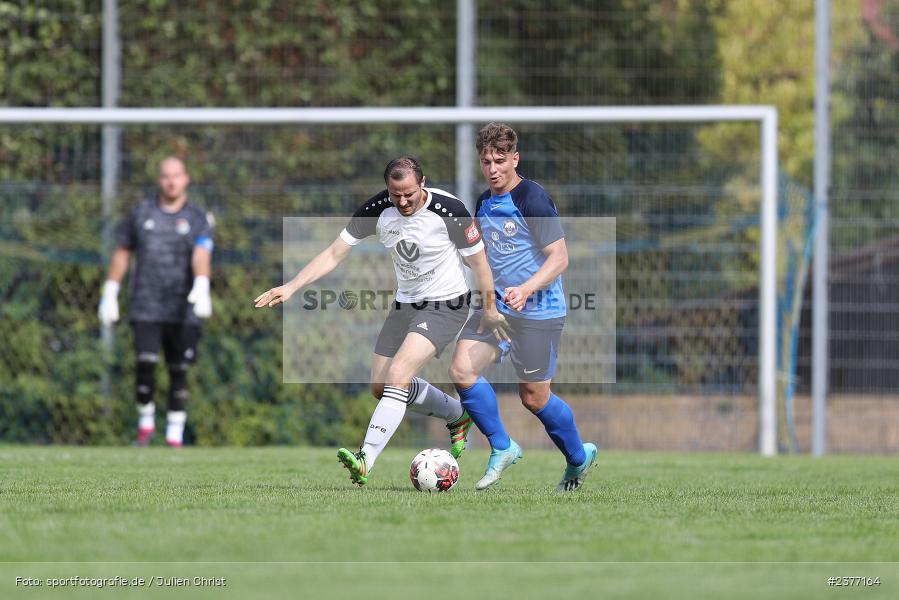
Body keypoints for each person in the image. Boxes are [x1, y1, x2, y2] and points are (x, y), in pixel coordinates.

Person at [254, 156, 508, 486]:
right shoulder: (377, 208)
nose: (402, 201)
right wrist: (291, 286)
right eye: (395, 194)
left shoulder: (449, 210)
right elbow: (334, 253)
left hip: (448, 304)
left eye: (409, 194)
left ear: (423, 183)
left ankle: (365, 459)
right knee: (381, 386)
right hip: (405, 304)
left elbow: (480, 262)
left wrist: (490, 309)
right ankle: (455, 415)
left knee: (399, 374)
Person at [449, 123, 597, 492]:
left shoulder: (532, 198)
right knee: (461, 369)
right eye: (486, 161)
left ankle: (578, 458)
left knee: (533, 398)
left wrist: (527, 288)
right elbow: (484, 256)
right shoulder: (483, 202)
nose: (493, 168)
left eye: (500, 160)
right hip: (498, 307)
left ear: (515, 159)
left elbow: (559, 258)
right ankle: (503, 447)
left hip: (539, 310)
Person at [98, 156, 214, 447]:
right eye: (166, 176)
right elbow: (123, 253)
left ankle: (174, 435)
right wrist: (110, 291)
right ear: (159, 180)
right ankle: (146, 427)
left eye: (177, 175)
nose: (172, 181)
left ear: (186, 178)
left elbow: (202, 253)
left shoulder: (198, 217)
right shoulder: (141, 212)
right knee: (145, 364)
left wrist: (202, 284)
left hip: (183, 307)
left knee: (179, 370)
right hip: (146, 304)